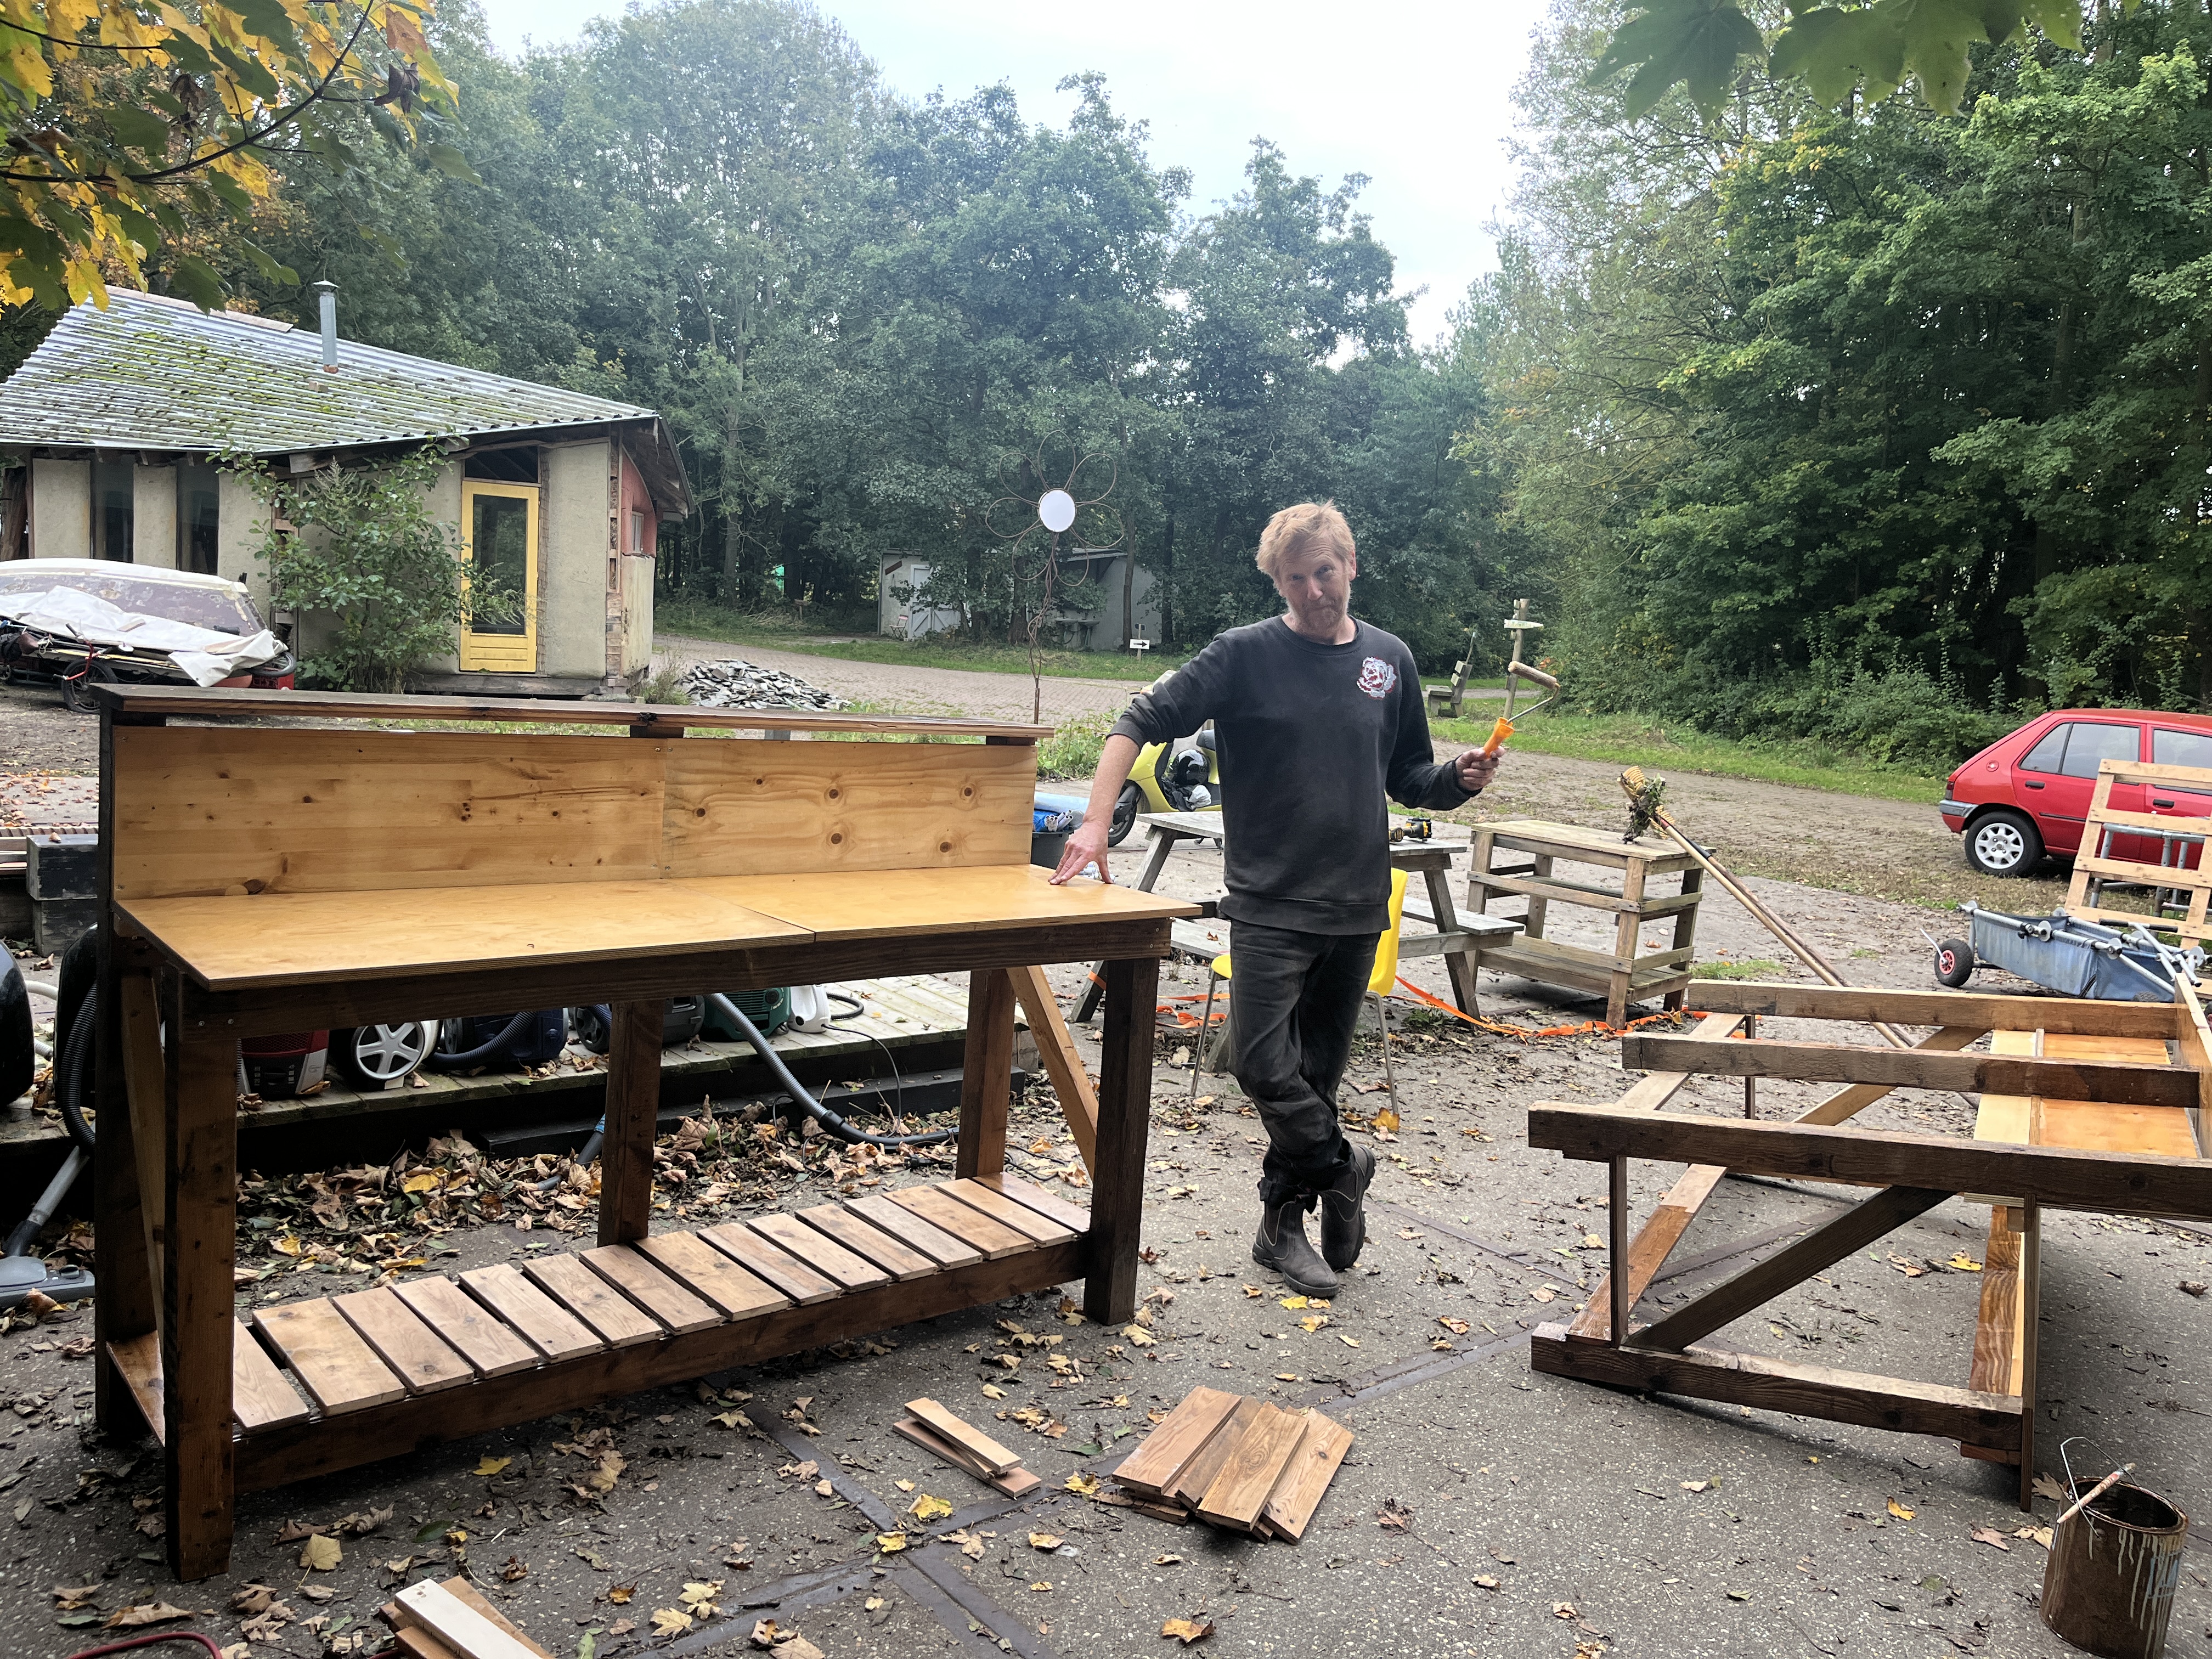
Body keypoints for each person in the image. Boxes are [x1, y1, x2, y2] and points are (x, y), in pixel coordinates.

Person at [1050, 501, 1499, 1296]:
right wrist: (1093, 821)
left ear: (1350, 564)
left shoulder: (1390, 661)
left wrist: (1456, 783)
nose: (1311, 592)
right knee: (1262, 1065)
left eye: (1323, 573)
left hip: (1357, 906)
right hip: (1268, 905)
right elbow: (1138, 720)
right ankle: (1343, 1162)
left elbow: (1408, 777)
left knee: (1316, 1078)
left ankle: (1279, 1229)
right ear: (1278, 581)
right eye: (1294, 580)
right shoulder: (1244, 655)